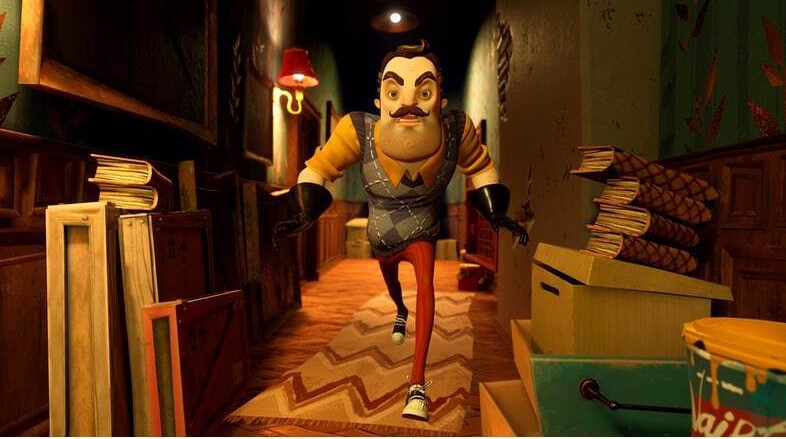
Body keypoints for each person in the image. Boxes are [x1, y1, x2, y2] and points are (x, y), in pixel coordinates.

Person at [273, 39, 527, 422]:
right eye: (394, 92)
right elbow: (319, 167)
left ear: (440, 100)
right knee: (393, 286)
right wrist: (306, 211)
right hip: (381, 237)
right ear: (380, 100)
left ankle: (417, 384)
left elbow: (480, 166)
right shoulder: (356, 130)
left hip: (422, 230)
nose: (409, 102)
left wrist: (496, 213)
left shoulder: (457, 131)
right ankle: (399, 310)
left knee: (426, 284)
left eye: (423, 92)